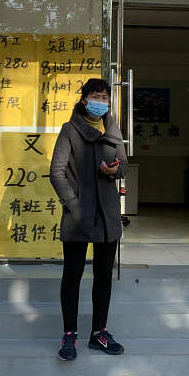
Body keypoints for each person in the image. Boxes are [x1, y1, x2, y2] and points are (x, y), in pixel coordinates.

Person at [49, 78, 128, 361]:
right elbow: (56, 171)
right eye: (96, 96)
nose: (101, 102)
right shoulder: (70, 130)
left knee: (104, 276)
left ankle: (99, 334)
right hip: (79, 217)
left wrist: (113, 171)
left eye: (105, 97)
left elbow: (124, 165)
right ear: (84, 99)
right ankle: (69, 334)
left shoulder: (112, 128)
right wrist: (72, 204)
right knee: (73, 275)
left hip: (108, 216)